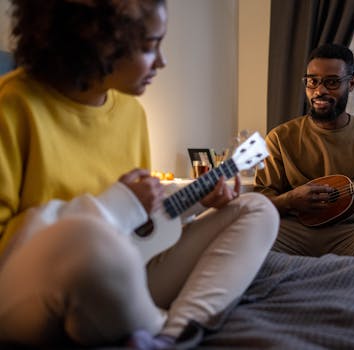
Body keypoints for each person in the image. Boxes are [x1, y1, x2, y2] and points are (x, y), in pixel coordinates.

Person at [0, 1, 278, 349]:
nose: (161, 62)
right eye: (149, 47)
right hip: (29, 295)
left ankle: (174, 334)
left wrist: (198, 203)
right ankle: (149, 323)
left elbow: (140, 228)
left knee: (257, 209)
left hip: (120, 275)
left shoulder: (132, 113)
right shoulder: (12, 105)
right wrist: (115, 206)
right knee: (84, 238)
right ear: (97, 40)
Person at [254, 43, 354, 260]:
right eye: (312, 81)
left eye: (332, 82)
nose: (320, 90)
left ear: (351, 84)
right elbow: (261, 203)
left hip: (353, 230)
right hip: (293, 229)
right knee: (245, 246)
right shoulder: (279, 137)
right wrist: (290, 200)